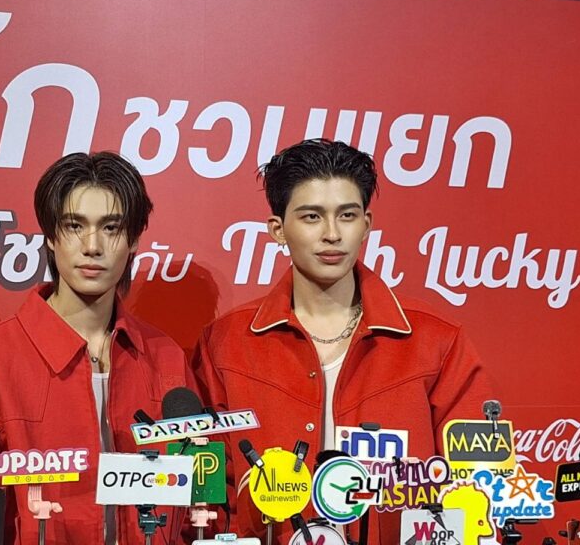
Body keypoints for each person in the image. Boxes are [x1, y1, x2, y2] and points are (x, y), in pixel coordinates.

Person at [190, 138, 494, 543]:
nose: (332, 234)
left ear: (366, 225)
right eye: (312, 217)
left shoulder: (435, 338)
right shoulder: (226, 343)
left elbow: (477, 481)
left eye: (346, 216)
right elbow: (208, 489)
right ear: (278, 230)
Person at [0, 151, 194, 545]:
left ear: (134, 240)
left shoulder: (166, 357)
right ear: (51, 237)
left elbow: (200, 500)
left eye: (111, 227)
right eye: (74, 226)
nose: (92, 246)